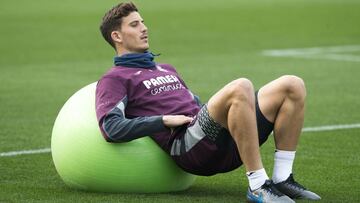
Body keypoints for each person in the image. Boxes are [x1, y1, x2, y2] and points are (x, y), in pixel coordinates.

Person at [95, 2, 321, 203]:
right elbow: (110, 128)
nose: (144, 28)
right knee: (241, 86)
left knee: (292, 85)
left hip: (213, 137)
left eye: (143, 22)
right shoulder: (114, 78)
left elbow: (196, 104)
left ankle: (282, 178)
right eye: (134, 25)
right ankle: (258, 185)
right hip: (187, 146)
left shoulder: (166, 68)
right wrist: (163, 121)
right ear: (117, 36)